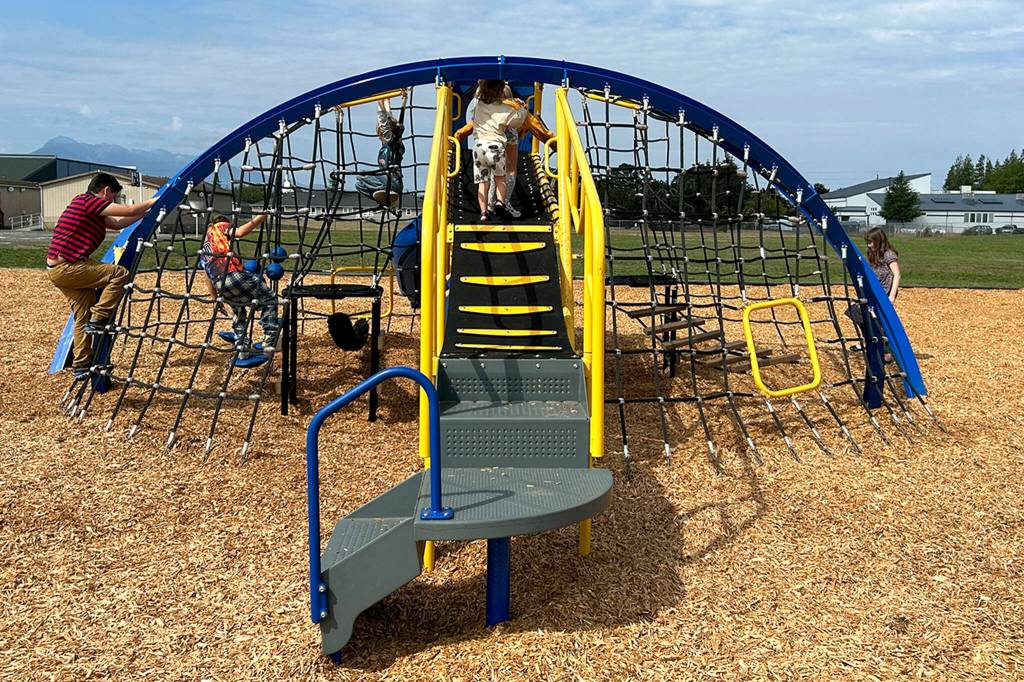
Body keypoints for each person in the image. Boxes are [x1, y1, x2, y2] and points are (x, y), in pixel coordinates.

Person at [46, 172, 157, 379]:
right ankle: (99, 317)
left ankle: (81, 364)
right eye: (113, 197)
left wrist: (146, 213)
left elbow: (117, 223)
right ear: (106, 191)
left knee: (82, 315)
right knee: (119, 274)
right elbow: (130, 209)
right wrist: (156, 200)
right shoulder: (88, 201)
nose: (113, 201)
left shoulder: (88, 208)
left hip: (57, 269)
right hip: (68, 267)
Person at [199, 213, 280, 368]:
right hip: (233, 274)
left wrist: (215, 299)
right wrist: (258, 219)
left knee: (239, 311)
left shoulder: (205, 248)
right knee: (269, 298)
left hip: (219, 283)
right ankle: (268, 341)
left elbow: (207, 277)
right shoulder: (219, 226)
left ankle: (242, 350)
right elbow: (240, 232)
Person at [453, 79, 527, 221]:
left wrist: (481, 83)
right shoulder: (505, 108)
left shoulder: (479, 105)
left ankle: (484, 211)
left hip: (479, 147)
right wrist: (522, 108)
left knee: (483, 181)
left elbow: (478, 95)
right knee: (502, 175)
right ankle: (501, 202)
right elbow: (517, 120)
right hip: (497, 144)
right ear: (501, 93)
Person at [355, 97, 405, 205]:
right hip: (388, 182)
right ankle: (385, 198)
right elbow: (389, 120)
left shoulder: (392, 143)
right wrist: (386, 102)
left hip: (393, 181)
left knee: (361, 175)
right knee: (359, 185)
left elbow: (384, 123)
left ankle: (387, 194)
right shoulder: (391, 145)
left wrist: (379, 101)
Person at [865, 227, 901, 303]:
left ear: (878, 241)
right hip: (876, 289)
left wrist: (892, 295)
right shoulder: (873, 254)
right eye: (867, 243)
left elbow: (897, 274)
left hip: (885, 290)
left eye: (870, 242)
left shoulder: (888, 254)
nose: (868, 245)